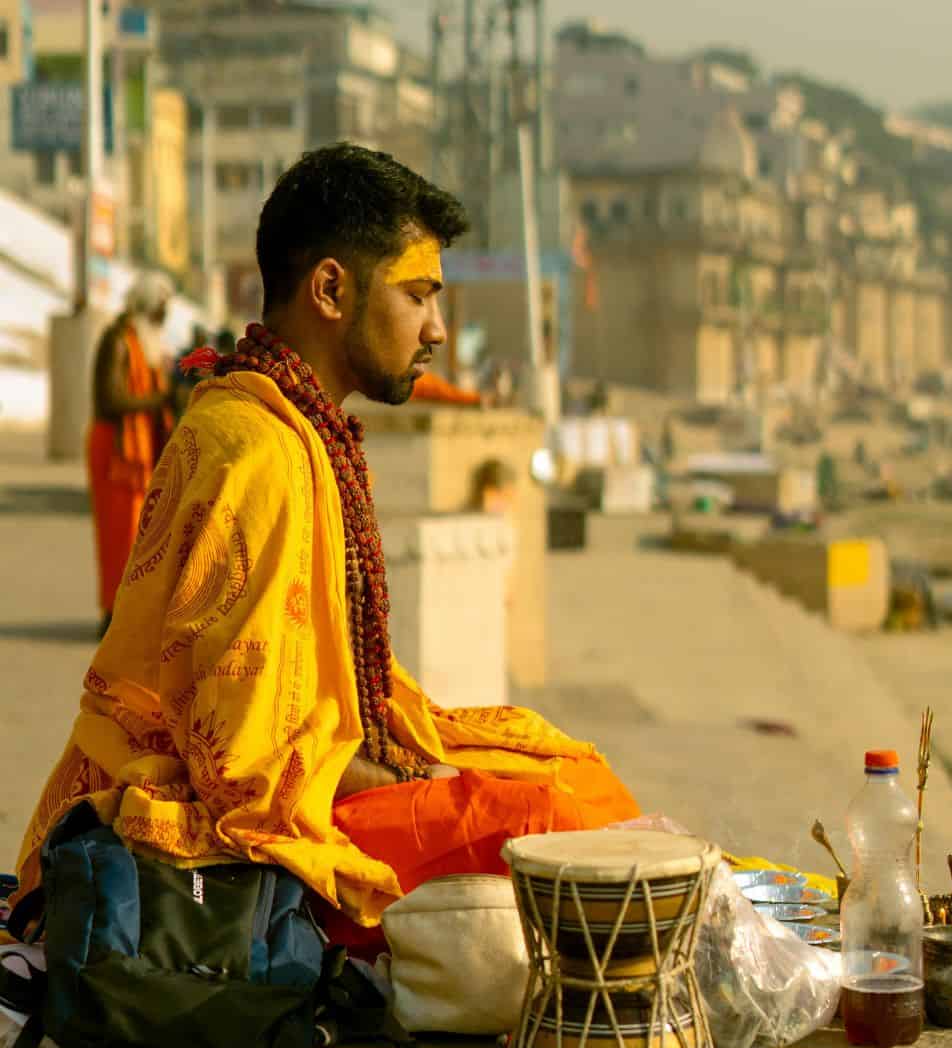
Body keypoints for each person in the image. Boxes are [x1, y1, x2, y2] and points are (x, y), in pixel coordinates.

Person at [11, 145, 637, 953]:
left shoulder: (288, 424)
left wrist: (434, 760)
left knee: (561, 766)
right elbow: (242, 768)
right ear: (333, 290)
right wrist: (427, 783)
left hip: (297, 780)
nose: (438, 330)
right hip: (221, 846)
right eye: (418, 296)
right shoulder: (257, 452)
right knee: (561, 821)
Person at [87, 271, 176, 638]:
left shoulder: (145, 342)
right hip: (116, 451)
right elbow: (109, 400)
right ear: (144, 309)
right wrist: (160, 400)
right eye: (158, 313)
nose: (162, 321)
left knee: (140, 534)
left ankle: (132, 610)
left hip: (139, 453)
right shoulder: (117, 341)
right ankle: (114, 613)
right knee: (119, 534)